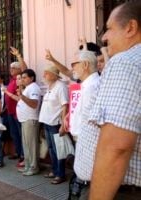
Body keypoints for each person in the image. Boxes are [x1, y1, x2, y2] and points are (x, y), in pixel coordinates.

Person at [74, 2, 141, 199]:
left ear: (130, 28)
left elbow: (116, 146)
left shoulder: (125, 62)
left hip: (120, 191)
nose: (104, 37)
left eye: (109, 28)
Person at [66, 50, 99, 199]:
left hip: (87, 142)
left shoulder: (92, 86)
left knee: (85, 181)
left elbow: (92, 122)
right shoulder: (87, 85)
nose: (72, 68)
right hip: (81, 139)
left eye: (74, 64)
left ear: (85, 65)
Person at [39, 66, 69, 184]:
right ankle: (55, 171)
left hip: (55, 123)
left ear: (54, 75)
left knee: (58, 150)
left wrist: (63, 124)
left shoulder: (60, 86)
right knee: (51, 149)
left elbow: (64, 105)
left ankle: (60, 174)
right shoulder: (50, 86)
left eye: (47, 72)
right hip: (47, 122)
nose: (44, 74)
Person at [16, 69, 41, 176]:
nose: (22, 79)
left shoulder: (34, 87)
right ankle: (27, 166)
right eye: (22, 77)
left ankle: (33, 167)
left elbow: (34, 104)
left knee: (31, 146)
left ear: (32, 78)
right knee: (26, 145)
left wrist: (22, 96)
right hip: (25, 120)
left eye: (25, 77)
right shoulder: (28, 88)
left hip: (30, 120)